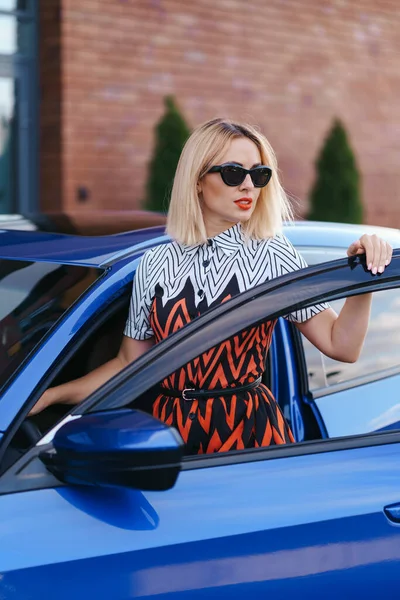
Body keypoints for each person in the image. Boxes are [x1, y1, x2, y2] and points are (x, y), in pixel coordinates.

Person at [30, 118, 392, 454]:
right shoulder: (155, 264)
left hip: (248, 432)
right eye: (234, 173)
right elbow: (128, 364)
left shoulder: (272, 253)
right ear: (198, 180)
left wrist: (362, 275)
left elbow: (341, 345)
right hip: (167, 434)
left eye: (259, 174)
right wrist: (53, 396)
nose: (249, 185)